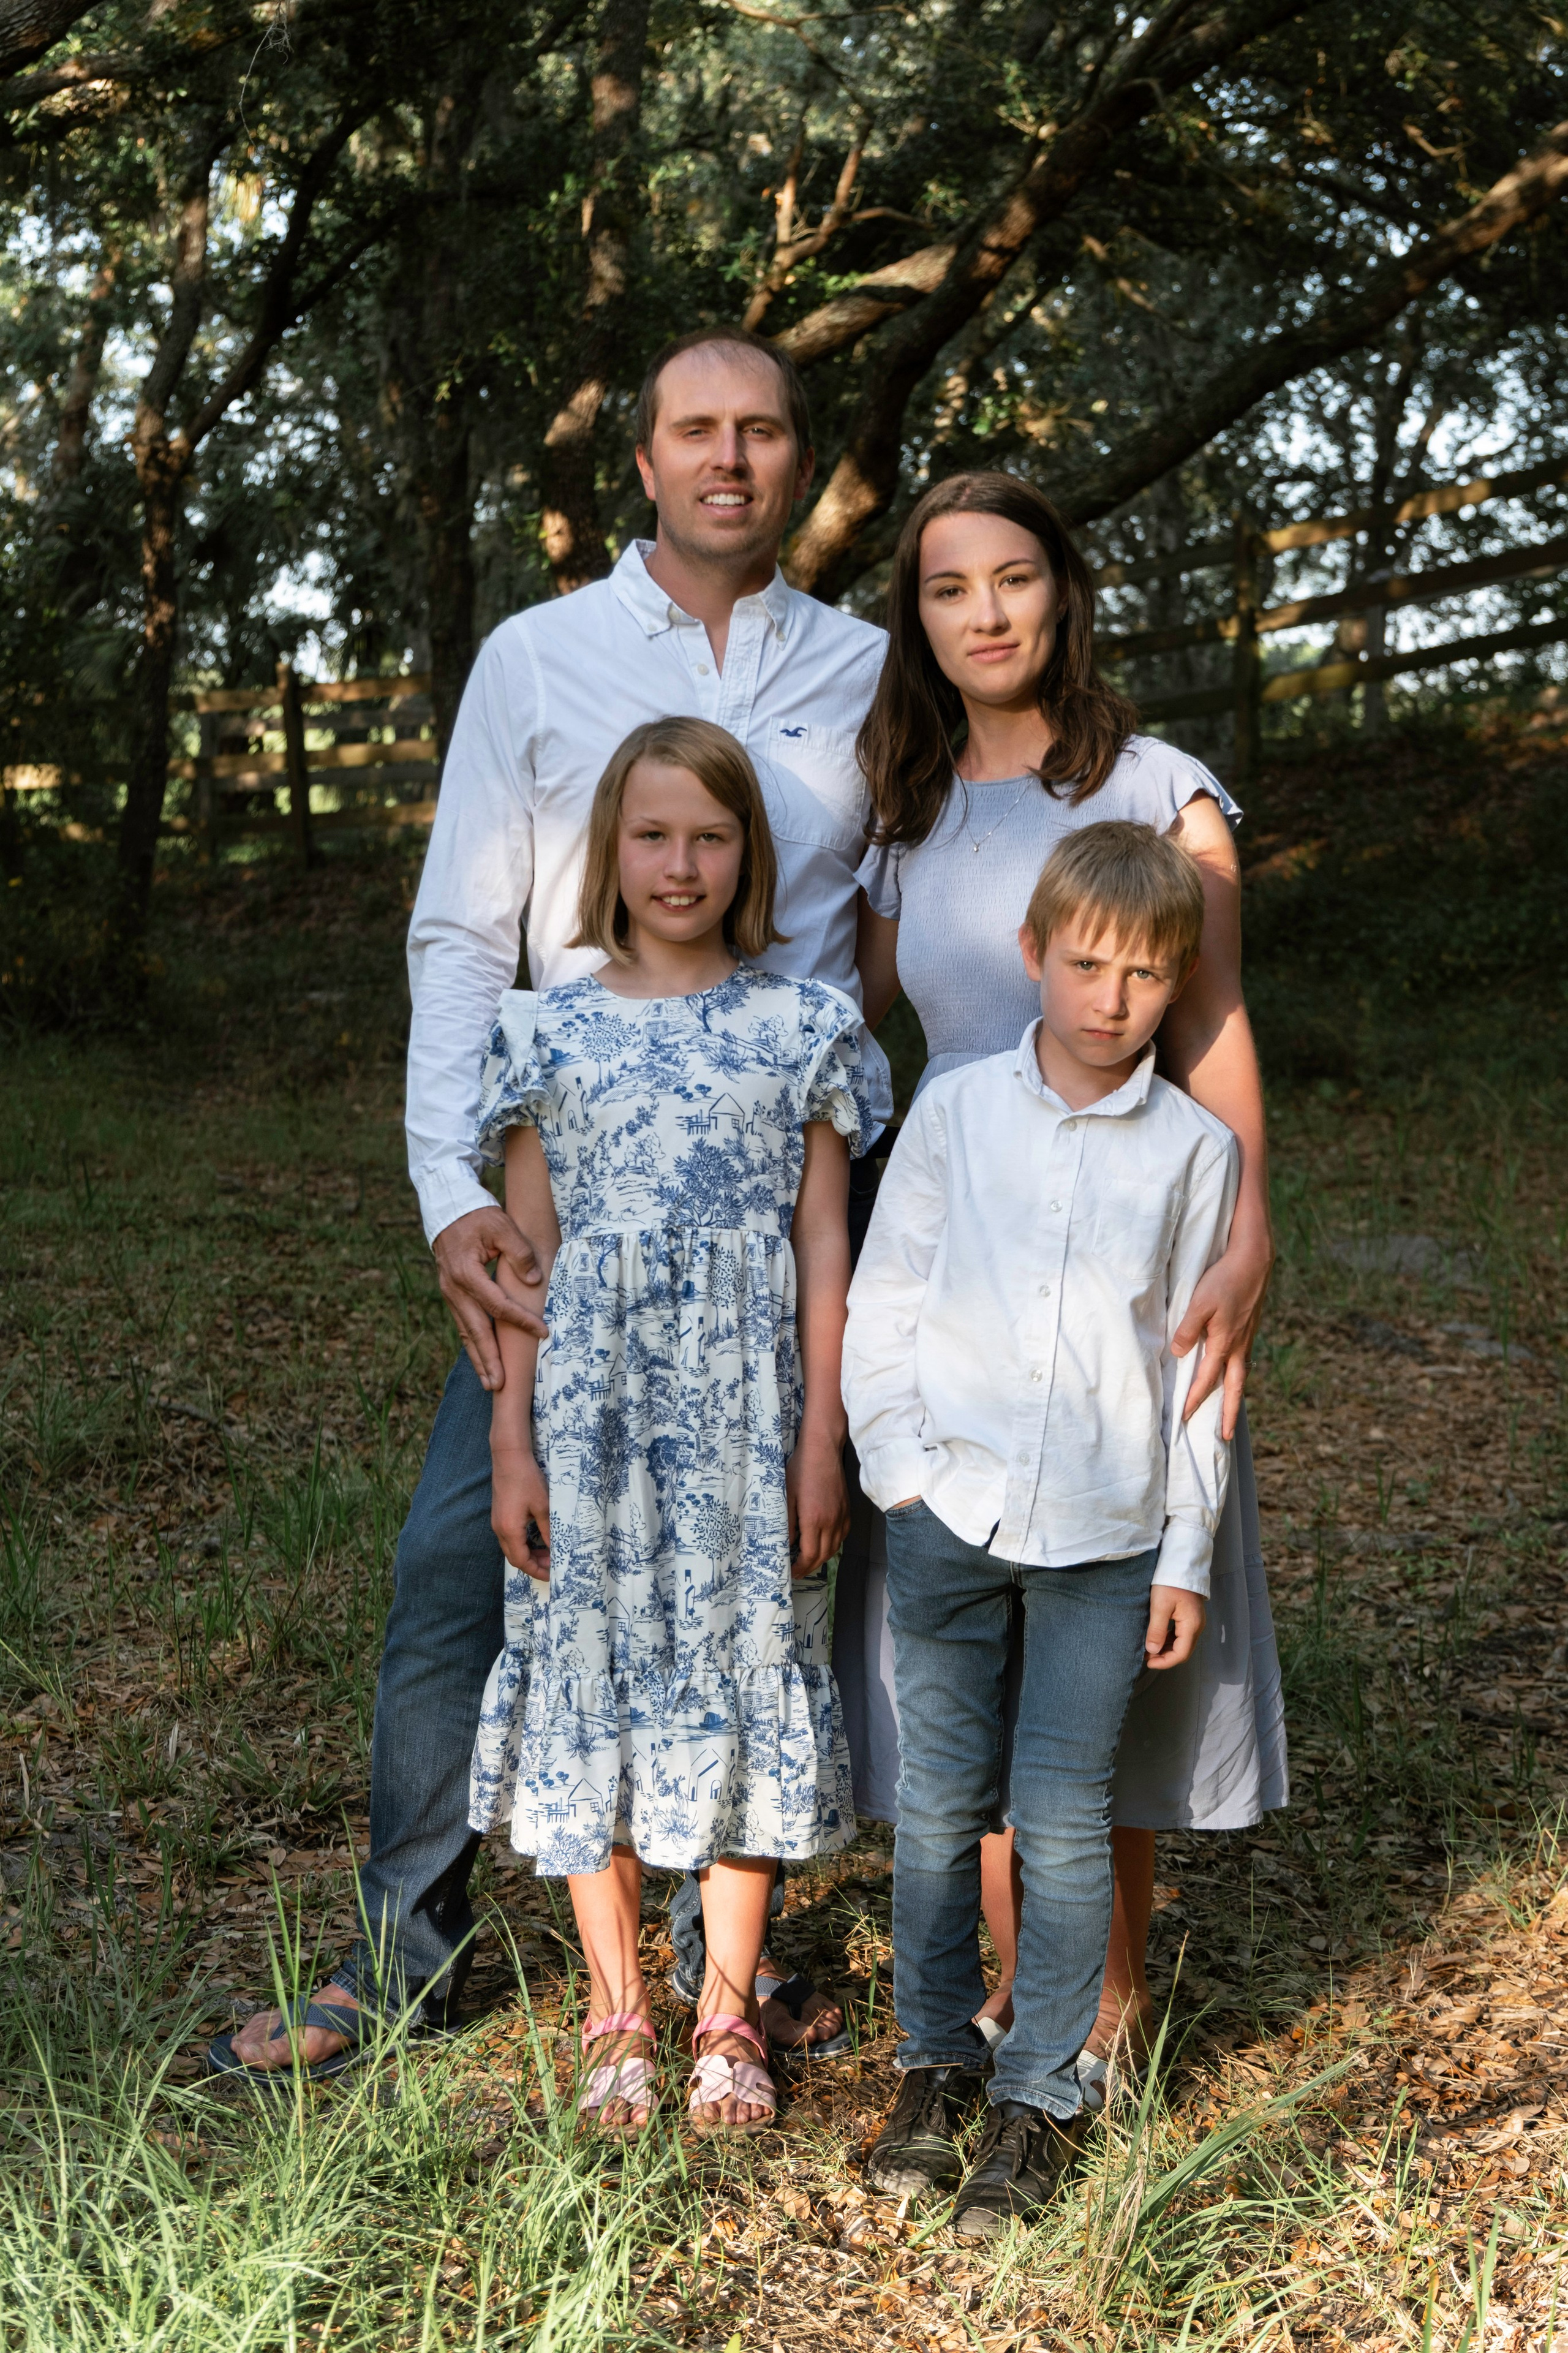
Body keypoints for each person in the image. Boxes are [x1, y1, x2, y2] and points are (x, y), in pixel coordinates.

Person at [208, 323, 884, 2087]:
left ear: (799, 459)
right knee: (468, 1558)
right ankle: (394, 1964)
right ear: (644, 464)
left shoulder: (869, 675)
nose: (730, 458)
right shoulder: (541, 657)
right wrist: (452, 1197)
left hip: (773, 1213)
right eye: (695, 431)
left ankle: (722, 1967)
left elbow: (919, 920)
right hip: (567, 1210)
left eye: (763, 431)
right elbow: (460, 937)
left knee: (770, 1580)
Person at [842, 469, 1287, 2069]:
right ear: (921, 618)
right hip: (964, 1240)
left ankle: (1104, 1994)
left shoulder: (1163, 787)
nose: (986, 614)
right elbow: (851, 1021)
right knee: (976, 1605)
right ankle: (1013, 1980)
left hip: (1131, 1234)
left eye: (1014, 579)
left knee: (1106, 1597)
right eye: (950, 589)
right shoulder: (907, 816)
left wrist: (1247, 1217)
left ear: (1062, 593)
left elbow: (1215, 1014)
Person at [469, 718, 865, 2132]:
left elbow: (825, 1247)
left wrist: (822, 1434)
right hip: (591, 1413)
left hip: (753, 1415)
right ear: (610, 853)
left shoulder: (805, 1025)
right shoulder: (547, 1032)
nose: (680, 863)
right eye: (652, 835)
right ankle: (618, 2005)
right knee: (597, 1675)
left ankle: (726, 2009)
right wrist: (510, 1441)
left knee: (753, 1664)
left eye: (710, 835)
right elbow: (522, 1258)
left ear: (747, 853)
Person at [843, 821, 1238, 2236]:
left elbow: (1198, 1369)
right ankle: (934, 2062)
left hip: (1104, 1530)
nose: (1108, 998)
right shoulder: (952, 1112)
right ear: (1032, 956)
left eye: (1142, 974)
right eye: (1083, 964)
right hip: (948, 1510)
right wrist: (896, 1467)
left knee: (1063, 1818)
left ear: (1173, 977)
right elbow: (883, 1297)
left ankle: (1039, 2094)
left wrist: (1183, 1552)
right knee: (942, 1805)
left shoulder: (1195, 1152)